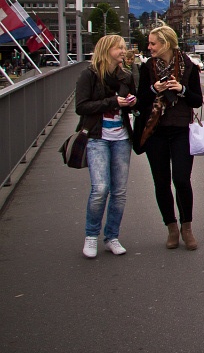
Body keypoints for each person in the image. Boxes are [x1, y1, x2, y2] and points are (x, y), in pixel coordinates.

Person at [134, 25, 203, 251]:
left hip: (181, 129)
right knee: (161, 181)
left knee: (182, 180)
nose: (150, 47)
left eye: (153, 43)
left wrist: (181, 89)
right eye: (150, 43)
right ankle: (171, 227)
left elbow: (196, 100)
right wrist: (154, 89)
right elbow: (140, 100)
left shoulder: (189, 66)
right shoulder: (147, 68)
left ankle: (187, 226)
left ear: (166, 43)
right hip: (156, 131)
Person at [75, 34, 137, 258]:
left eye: (123, 47)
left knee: (119, 191)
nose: (123, 51)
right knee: (100, 188)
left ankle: (112, 236)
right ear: (106, 50)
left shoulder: (126, 76)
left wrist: (132, 102)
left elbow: (131, 101)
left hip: (121, 137)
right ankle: (91, 235)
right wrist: (113, 102)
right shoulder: (89, 75)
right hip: (97, 136)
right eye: (119, 48)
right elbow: (81, 107)